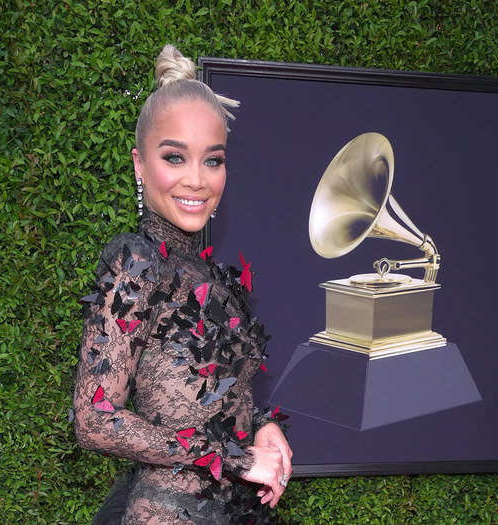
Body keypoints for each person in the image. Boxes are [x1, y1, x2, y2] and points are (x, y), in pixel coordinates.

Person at [73, 44, 292, 525]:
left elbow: (215, 398)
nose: (196, 180)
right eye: (175, 157)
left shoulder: (216, 278)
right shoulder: (137, 265)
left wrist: (262, 426)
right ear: (139, 163)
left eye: (212, 160)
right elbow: (95, 419)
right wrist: (237, 460)